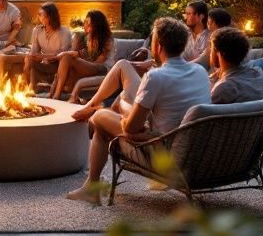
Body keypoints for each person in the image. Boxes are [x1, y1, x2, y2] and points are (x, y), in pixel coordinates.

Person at [66, 17, 210, 205]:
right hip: (187, 145)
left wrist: (125, 108)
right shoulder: (200, 71)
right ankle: (92, 105)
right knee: (122, 65)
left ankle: (91, 188)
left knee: (99, 119)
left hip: (160, 151)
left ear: (157, 47)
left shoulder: (156, 77)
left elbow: (130, 129)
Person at [50, 9, 114, 102]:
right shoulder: (89, 38)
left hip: (103, 68)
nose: (85, 25)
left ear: (96, 25)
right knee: (65, 58)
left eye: (88, 22)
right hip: (91, 66)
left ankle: (56, 96)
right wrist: (61, 55)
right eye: (85, 22)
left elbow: (99, 61)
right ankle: (54, 94)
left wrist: (80, 63)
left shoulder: (107, 40)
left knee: (68, 59)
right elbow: (79, 53)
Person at [208, 27, 263, 104]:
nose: (210, 54)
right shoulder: (259, 76)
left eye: (211, 50)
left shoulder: (223, 89)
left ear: (220, 53)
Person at [24, 2, 73, 89]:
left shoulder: (64, 32)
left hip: (59, 65)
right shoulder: (37, 30)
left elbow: (62, 54)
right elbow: (34, 50)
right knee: (28, 59)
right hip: (44, 62)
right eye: (39, 15)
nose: (39, 17)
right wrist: (32, 55)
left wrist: (43, 57)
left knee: (31, 60)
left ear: (50, 17)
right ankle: (28, 88)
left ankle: (31, 88)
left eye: (41, 15)